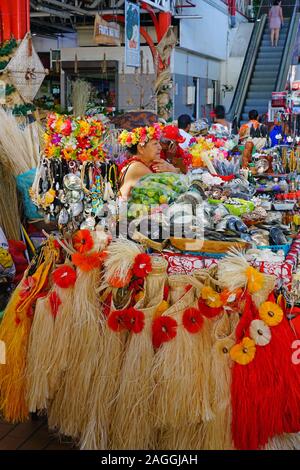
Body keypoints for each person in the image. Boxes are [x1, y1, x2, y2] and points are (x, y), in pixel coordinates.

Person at [118, 125, 179, 199]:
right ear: (141, 148)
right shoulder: (137, 167)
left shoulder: (142, 165)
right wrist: (172, 170)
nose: (160, 147)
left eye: (159, 143)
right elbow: (167, 192)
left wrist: (170, 169)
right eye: (155, 144)